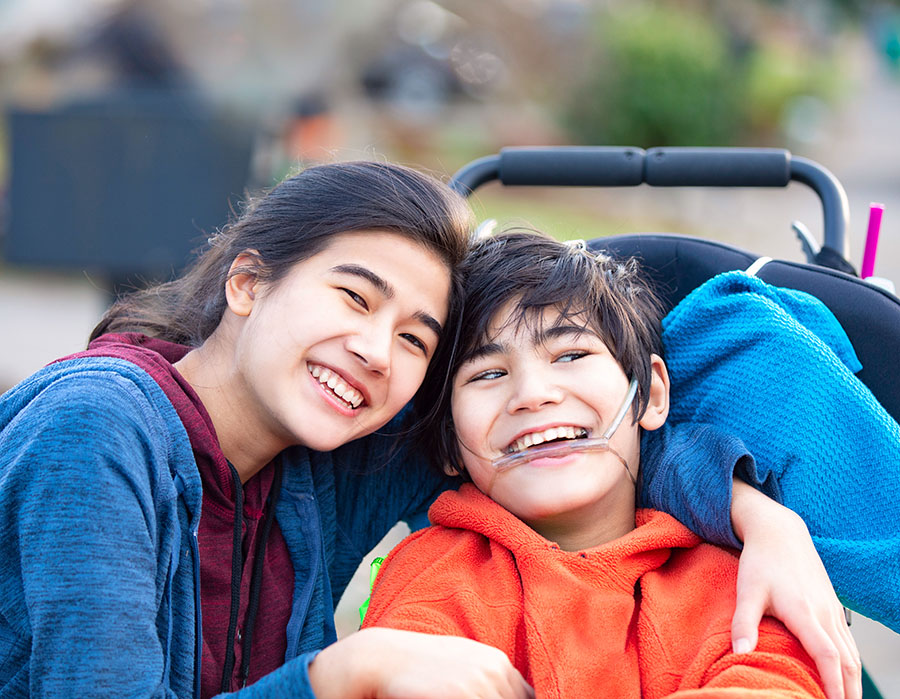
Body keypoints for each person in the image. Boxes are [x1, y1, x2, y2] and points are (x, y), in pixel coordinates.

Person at [0, 164, 857, 699]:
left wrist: (757, 513)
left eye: (415, 336)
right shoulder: (98, 430)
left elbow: (570, 446)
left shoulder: (326, 457)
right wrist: (339, 674)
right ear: (247, 283)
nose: (376, 351)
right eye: (353, 296)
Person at [362, 230, 863, 697]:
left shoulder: (740, 578)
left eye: (571, 354)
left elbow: (776, 679)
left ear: (651, 395)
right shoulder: (434, 573)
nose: (533, 395)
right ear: (449, 444)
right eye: (489, 372)